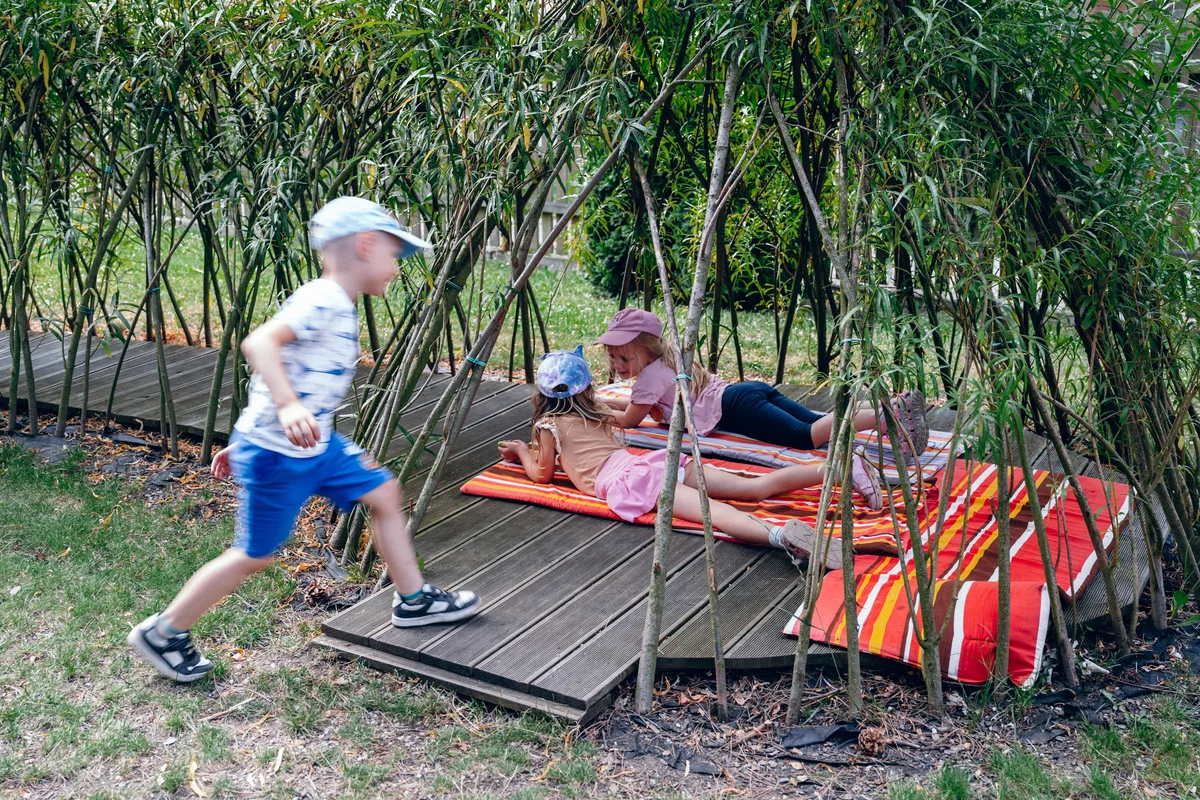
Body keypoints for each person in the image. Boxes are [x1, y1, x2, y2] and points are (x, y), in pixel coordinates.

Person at [128, 197, 481, 683]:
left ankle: (414, 600)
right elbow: (259, 343)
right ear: (365, 245)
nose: (398, 267)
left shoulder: (336, 301)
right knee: (255, 554)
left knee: (384, 491)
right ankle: (165, 631)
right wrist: (285, 409)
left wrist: (251, 432)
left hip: (313, 446)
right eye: (395, 254)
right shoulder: (324, 298)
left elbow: (288, 368)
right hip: (281, 454)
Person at [498, 347, 883, 569]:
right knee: (753, 488)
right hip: (651, 462)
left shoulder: (547, 425)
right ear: (586, 389)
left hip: (632, 481)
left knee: (714, 513)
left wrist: (521, 452)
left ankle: (780, 536)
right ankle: (834, 469)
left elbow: (542, 474)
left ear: (541, 393)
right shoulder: (596, 412)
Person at [597, 308, 928, 465]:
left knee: (806, 437)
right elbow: (633, 407)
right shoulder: (666, 361)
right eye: (613, 357)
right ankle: (892, 404)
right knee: (816, 422)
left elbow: (629, 420)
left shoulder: (650, 377)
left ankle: (890, 415)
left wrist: (592, 409)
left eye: (624, 357)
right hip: (746, 392)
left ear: (646, 350)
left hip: (737, 408)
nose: (617, 365)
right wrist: (604, 400)